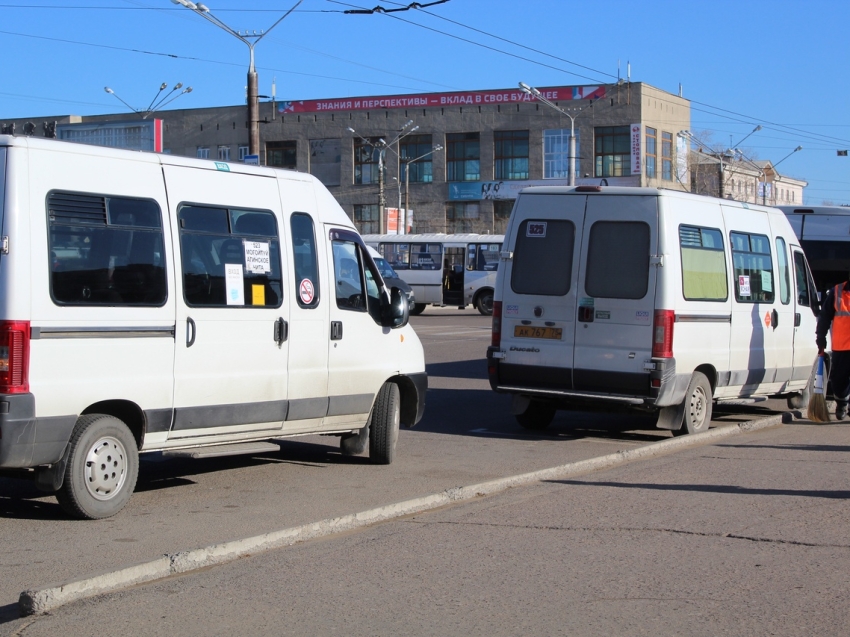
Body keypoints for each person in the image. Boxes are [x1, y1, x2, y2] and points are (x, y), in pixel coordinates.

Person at [816, 277, 850, 420]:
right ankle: (841, 404)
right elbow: (824, 317)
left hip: (842, 346)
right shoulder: (837, 292)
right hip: (841, 347)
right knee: (839, 379)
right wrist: (821, 336)